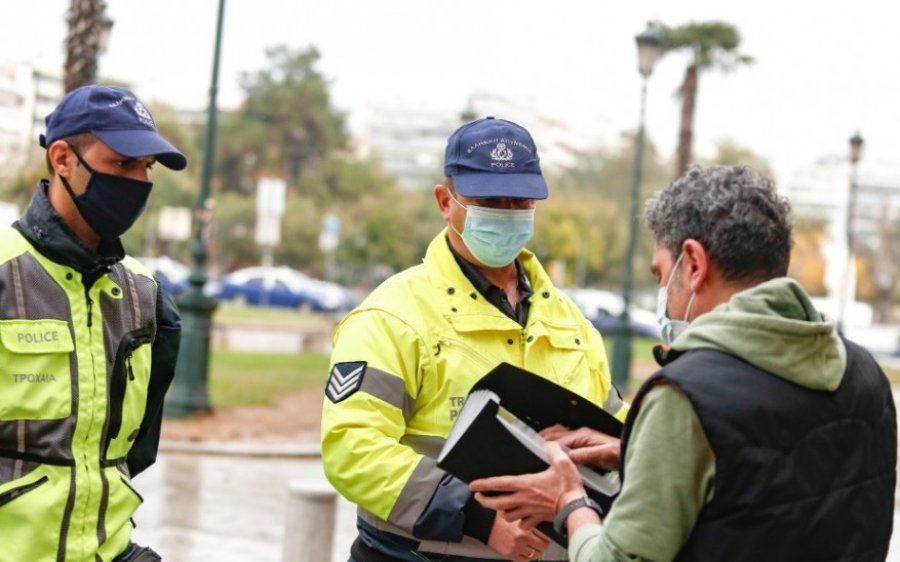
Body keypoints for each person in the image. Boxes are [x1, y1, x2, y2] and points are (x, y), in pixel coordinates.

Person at [470, 165, 897, 561]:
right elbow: (778, 485)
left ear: (692, 264)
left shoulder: (686, 396)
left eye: (660, 275)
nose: (664, 298)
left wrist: (568, 502)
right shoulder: (864, 375)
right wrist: (644, 456)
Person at [320, 116, 629, 562]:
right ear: (445, 202)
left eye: (520, 201)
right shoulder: (390, 315)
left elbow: (614, 430)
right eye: (489, 200)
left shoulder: (572, 322)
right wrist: (478, 518)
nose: (506, 212)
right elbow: (354, 448)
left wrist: (620, 450)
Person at [0, 85, 187, 562]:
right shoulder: (5, 277)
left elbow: (135, 453)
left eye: (146, 168)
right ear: (62, 158)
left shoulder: (148, 299)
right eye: (121, 164)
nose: (138, 182)